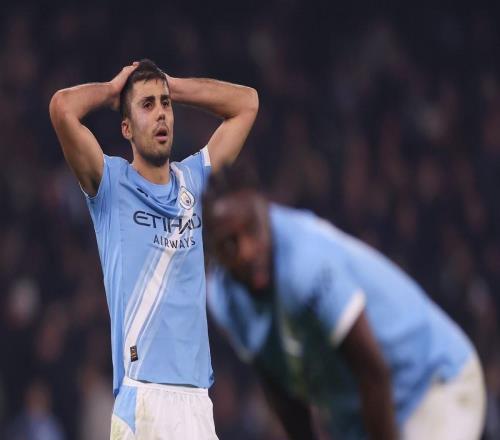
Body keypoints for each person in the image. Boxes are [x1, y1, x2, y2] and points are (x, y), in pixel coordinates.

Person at [49, 59, 258, 439]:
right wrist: (113, 91)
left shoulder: (194, 180)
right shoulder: (111, 183)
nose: (161, 113)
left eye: (165, 104)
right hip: (144, 398)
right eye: (147, 105)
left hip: (198, 402)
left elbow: (247, 103)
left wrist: (172, 85)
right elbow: (62, 108)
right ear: (126, 128)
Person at [204, 166, 486, 440]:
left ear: (266, 213)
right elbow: (281, 390)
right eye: (229, 243)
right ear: (213, 250)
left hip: (431, 384)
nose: (246, 251)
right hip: (362, 420)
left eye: (252, 230)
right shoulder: (223, 299)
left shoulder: (305, 263)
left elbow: (372, 371)